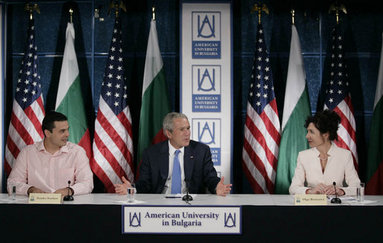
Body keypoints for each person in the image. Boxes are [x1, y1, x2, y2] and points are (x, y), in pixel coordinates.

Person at [115, 112, 232, 196]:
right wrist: (132, 189)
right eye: (182, 130)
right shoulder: (151, 154)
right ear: (169, 134)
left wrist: (217, 186)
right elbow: (145, 183)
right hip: (160, 204)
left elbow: (209, 177)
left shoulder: (201, 151)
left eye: (188, 128)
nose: (187, 133)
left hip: (191, 204)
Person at [7, 111, 93, 196]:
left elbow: (87, 183)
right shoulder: (27, 153)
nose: (67, 134)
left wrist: (69, 191)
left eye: (67, 130)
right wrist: (30, 189)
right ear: (47, 133)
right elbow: (12, 184)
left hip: (67, 207)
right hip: (36, 207)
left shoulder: (77, 152)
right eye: (62, 131)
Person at [289, 110, 360, 196]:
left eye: (311, 132)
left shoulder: (345, 155)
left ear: (326, 135)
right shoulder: (303, 156)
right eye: (307, 131)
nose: (307, 136)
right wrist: (310, 191)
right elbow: (293, 188)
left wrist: (341, 191)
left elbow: (357, 188)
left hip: (336, 206)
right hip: (312, 206)